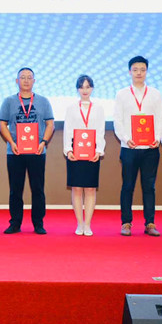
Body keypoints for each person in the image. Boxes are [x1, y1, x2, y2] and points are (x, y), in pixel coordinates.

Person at [0, 67, 54, 235]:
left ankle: (38, 223)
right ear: (17, 81)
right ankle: (15, 223)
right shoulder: (9, 101)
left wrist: (43, 142)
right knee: (15, 190)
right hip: (15, 152)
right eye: (23, 77)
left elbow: (50, 124)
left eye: (30, 77)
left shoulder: (43, 101)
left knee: (38, 189)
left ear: (34, 81)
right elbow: (2, 124)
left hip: (37, 152)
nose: (26, 80)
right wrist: (11, 142)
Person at [113, 56, 162, 236]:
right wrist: (126, 139)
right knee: (128, 186)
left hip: (150, 149)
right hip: (129, 148)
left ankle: (150, 223)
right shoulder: (122, 94)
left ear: (147, 72)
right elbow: (117, 120)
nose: (139, 73)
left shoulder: (155, 94)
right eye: (135, 70)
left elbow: (160, 119)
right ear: (130, 72)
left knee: (149, 187)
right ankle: (126, 223)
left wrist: (157, 138)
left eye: (142, 70)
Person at [63, 75, 106, 236]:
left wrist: (99, 151)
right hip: (75, 151)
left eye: (88, 87)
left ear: (92, 88)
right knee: (76, 189)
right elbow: (67, 130)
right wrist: (68, 150)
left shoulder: (99, 108)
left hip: (92, 152)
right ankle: (79, 224)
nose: (85, 90)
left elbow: (100, 131)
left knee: (90, 189)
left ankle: (87, 224)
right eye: (81, 87)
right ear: (77, 89)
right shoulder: (71, 108)